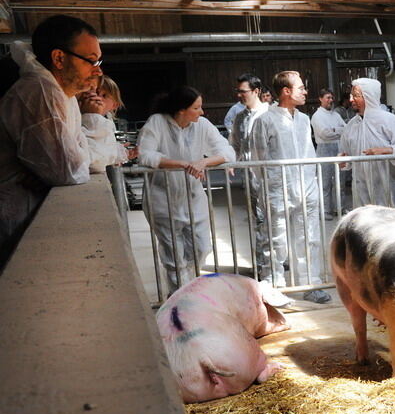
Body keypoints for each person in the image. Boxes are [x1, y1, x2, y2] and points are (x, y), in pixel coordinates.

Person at [0, 14, 102, 269]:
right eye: (91, 60)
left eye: (99, 60)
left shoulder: (64, 95)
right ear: (59, 58)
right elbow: (67, 171)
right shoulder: (40, 91)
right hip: (10, 223)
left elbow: (84, 161)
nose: (98, 70)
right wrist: (78, 155)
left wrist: (77, 156)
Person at [136, 85, 235, 294]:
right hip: (162, 200)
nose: (202, 112)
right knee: (174, 257)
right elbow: (145, 154)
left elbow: (226, 150)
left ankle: (187, 289)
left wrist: (203, 163)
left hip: (193, 198)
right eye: (197, 108)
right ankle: (180, 299)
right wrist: (181, 164)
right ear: (182, 110)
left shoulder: (203, 125)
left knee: (201, 247)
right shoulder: (157, 123)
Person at [249, 71, 330, 304]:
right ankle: (274, 286)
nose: (305, 92)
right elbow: (258, 160)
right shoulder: (265, 120)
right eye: (301, 88)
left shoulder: (304, 120)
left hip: (306, 187)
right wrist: (270, 186)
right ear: (286, 91)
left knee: (310, 237)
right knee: (277, 240)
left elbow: (309, 152)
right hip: (278, 189)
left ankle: (310, 283)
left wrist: (311, 182)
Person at [228, 73, 289, 305]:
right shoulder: (240, 117)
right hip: (250, 178)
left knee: (274, 224)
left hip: (271, 178)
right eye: (239, 91)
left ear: (255, 91)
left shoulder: (270, 115)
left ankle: (272, 273)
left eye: (243, 91)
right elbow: (235, 143)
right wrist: (233, 162)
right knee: (258, 222)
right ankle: (263, 269)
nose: (239, 95)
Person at [339, 77, 395, 209]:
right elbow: (346, 155)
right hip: (361, 189)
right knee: (365, 226)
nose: (350, 100)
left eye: (356, 96)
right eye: (351, 95)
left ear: (369, 96)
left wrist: (385, 150)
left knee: (389, 224)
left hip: (386, 187)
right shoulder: (350, 126)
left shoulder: (388, 120)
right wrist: (343, 161)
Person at [78, 75, 137, 173]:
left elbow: (104, 150)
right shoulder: (80, 116)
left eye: (104, 95)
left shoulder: (108, 123)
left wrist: (120, 153)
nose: (98, 98)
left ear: (114, 105)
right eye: (96, 92)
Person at [310, 87, 347, 219]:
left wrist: (334, 130)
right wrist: (338, 131)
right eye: (327, 98)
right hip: (324, 150)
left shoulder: (336, 115)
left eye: (331, 98)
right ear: (321, 99)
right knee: (325, 182)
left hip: (338, 148)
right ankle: (325, 210)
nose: (330, 100)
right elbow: (324, 134)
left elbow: (346, 129)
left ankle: (340, 208)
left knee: (340, 181)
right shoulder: (317, 116)